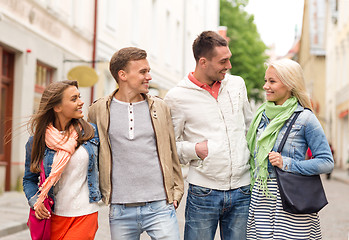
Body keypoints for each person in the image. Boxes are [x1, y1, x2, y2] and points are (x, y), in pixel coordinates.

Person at [88, 47, 184, 239]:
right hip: (120, 209)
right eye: (143, 72)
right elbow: (91, 153)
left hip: (160, 206)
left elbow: (172, 151)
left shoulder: (160, 107)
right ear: (122, 75)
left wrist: (176, 192)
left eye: (148, 71)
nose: (149, 76)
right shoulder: (98, 109)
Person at [164, 30, 253, 240]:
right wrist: (195, 149)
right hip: (204, 191)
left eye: (229, 59)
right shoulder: (177, 97)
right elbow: (168, 146)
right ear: (203, 62)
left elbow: (250, 127)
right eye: (223, 61)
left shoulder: (237, 84)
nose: (229, 66)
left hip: (243, 190)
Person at [246, 58, 334, 239]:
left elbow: (326, 162)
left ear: (289, 84)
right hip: (261, 197)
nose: (265, 86)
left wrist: (287, 163)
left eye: (272, 81)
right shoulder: (261, 116)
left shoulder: (305, 118)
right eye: (265, 81)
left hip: (290, 198)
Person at [23, 80, 101, 239]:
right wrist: (35, 201)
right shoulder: (37, 141)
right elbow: (29, 179)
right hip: (52, 215)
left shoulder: (90, 133)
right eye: (74, 99)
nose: (81, 102)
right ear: (57, 107)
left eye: (79, 97)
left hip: (84, 213)